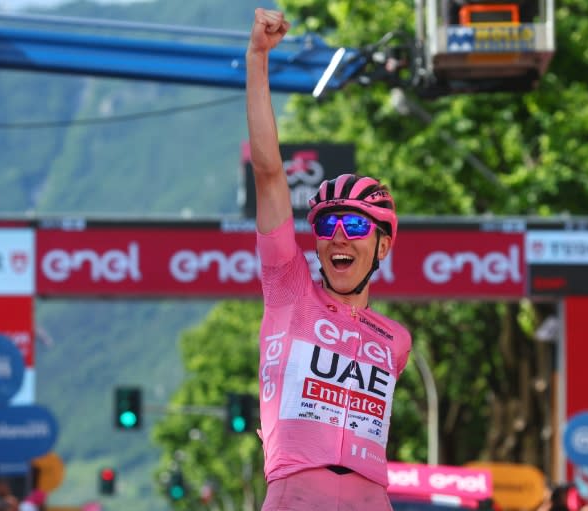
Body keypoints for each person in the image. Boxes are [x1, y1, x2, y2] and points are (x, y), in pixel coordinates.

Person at [246, 7, 413, 511]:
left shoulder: (397, 341)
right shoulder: (288, 289)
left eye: (357, 225)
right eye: (326, 225)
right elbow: (271, 174)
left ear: (383, 245)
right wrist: (257, 58)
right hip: (296, 494)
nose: (339, 235)